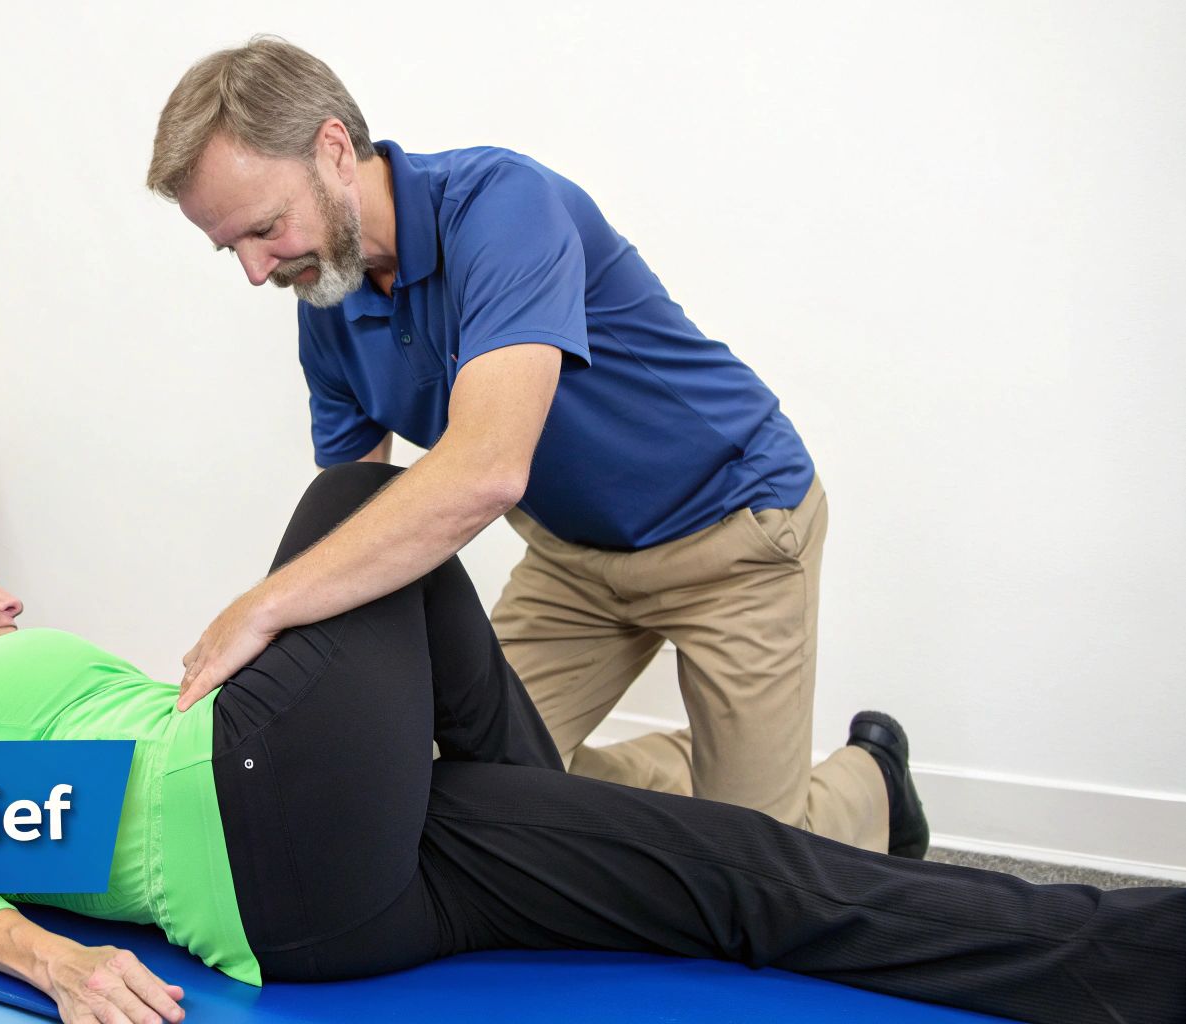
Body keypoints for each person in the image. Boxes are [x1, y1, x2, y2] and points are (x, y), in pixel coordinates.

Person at [0, 465, 1185, 1024]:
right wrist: (57, 963)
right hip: (251, 828)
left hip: (352, 894)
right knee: (359, 500)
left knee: (747, 873)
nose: (7, 597)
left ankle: (1132, 955)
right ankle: (527, 789)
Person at [145, 37, 909, 854]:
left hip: (734, 531)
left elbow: (486, 469)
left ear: (334, 150)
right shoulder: (327, 307)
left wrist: (261, 606)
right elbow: (353, 517)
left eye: (265, 228)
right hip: (573, 562)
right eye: (231, 247)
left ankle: (872, 782)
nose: (255, 271)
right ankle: (706, 789)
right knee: (489, 791)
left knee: (760, 867)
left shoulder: (503, 207)